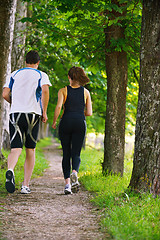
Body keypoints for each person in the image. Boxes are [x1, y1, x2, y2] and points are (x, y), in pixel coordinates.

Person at [2, 50, 52, 194]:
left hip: (15, 113)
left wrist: (14, 103)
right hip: (32, 114)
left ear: (25, 61)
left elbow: (5, 94)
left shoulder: (14, 74)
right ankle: (25, 185)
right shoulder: (41, 74)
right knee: (30, 149)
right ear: (38, 62)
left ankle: (10, 170)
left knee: (15, 149)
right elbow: (45, 91)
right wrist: (44, 111)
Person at [52, 66, 92, 194]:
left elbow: (58, 107)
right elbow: (89, 112)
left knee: (66, 153)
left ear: (69, 77)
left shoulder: (63, 91)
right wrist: (79, 113)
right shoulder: (86, 92)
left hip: (66, 121)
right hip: (80, 122)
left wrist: (54, 121)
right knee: (76, 153)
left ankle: (67, 185)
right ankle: (75, 172)